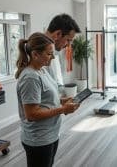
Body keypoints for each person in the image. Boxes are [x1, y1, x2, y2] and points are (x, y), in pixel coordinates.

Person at [15, 32, 80, 167]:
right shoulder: (30, 77)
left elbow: (45, 100)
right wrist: (62, 109)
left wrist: (62, 101)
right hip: (39, 139)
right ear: (35, 54)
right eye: (49, 53)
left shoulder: (42, 70)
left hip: (50, 134)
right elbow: (32, 114)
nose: (53, 57)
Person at [45, 13, 81, 85]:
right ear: (58, 34)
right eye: (68, 40)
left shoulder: (53, 53)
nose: (68, 45)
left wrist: (59, 96)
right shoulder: (38, 57)